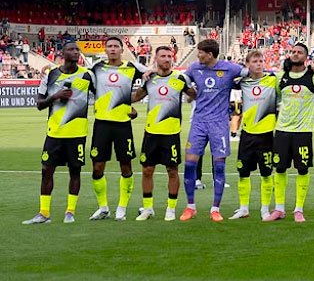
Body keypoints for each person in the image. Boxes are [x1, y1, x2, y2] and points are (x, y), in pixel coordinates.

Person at [24, 42, 94, 224]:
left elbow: (102, 95)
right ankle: (44, 213)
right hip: (55, 132)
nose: (75, 52)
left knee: (75, 172)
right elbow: (39, 104)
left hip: (77, 133)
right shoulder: (50, 74)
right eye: (71, 49)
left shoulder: (87, 75)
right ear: (62, 53)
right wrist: (56, 96)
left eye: (77, 49)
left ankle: (70, 212)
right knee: (46, 171)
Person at [182, 39, 244, 221]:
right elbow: (180, 81)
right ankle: (190, 207)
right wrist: (190, 93)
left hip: (219, 124)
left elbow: (251, 74)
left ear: (209, 54)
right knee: (190, 163)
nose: (197, 55)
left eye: (200, 52)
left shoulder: (230, 69)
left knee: (219, 165)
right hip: (199, 122)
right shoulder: (194, 68)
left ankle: (215, 209)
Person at [131, 46, 195, 221]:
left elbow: (195, 95)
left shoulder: (180, 79)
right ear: (156, 59)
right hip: (151, 132)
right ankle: (148, 208)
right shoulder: (149, 79)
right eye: (163, 56)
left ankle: (171, 209)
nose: (167, 59)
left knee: (172, 171)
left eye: (169, 56)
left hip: (171, 133)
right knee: (147, 170)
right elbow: (136, 97)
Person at [88, 37, 145, 221]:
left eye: (116, 46)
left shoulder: (133, 67)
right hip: (102, 123)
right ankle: (103, 207)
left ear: (122, 50)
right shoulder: (96, 68)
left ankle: (122, 207)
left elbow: (153, 75)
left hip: (123, 124)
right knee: (97, 167)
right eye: (109, 46)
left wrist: (131, 101)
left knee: (126, 166)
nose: (112, 49)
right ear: (105, 50)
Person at [268, 43, 314, 222]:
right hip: (283, 130)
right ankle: (279, 209)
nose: (296, 54)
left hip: (303, 131)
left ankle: (298, 209)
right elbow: (276, 98)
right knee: (279, 168)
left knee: (302, 169)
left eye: (300, 52)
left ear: (306, 57)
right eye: (293, 51)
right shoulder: (281, 78)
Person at [229, 50, 278, 220]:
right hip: (247, 134)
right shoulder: (241, 83)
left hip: (266, 135)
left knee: (266, 174)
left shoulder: (273, 80)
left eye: (261, 60)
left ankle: (265, 209)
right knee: (243, 172)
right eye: (255, 61)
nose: (259, 64)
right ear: (248, 64)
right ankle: (244, 208)